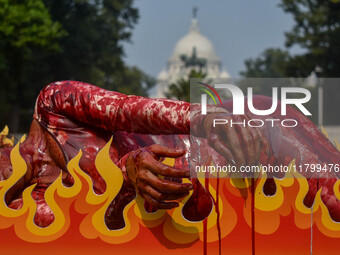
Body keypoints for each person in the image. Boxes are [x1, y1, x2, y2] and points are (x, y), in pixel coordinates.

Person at [0, 80, 263, 228]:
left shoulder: (53, 104)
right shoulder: (24, 212)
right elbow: (106, 228)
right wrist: (130, 173)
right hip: (204, 219)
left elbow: (126, 110)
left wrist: (205, 117)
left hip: (232, 148)